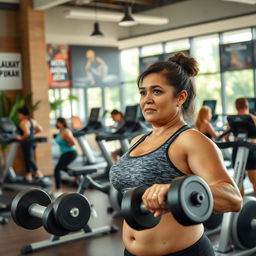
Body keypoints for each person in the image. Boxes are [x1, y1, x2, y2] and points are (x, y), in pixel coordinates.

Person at [110, 52, 242, 256]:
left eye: (157, 92)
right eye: (143, 92)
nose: (147, 100)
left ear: (180, 97)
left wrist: (174, 191)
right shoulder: (137, 141)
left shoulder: (190, 139)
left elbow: (233, 198)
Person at [225, 97, 256, 196]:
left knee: (239, 179)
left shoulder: (232, 120)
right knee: (254, 180)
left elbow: (226, 137)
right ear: (247, 106)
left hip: (237, 149)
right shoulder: (253, 118)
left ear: (236, 107)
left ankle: (240, 207)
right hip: (251, 149)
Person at [16, 106, 44, 181]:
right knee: (27, 158)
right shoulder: (32, 121)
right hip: (33, 141)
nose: (19, 116)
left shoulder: (23, 122)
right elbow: (40, 129)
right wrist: (33, 134)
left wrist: (21, 137)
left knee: (29, 158)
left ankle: (38, 172)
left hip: (27, 142)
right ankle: (28, 175)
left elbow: (27, 133)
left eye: (19, 114)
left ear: (22, 114)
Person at [53, 117, 77, 198]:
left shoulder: (66, 132)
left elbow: (73, 142)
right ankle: (77, 175)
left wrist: (66, 145)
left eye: (58, 122)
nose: (57, 124)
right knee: (62, 167)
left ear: (62, 123)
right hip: (65, 153)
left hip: (70, 153)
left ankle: (58, 190)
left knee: (57, 169)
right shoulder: (61, 131)